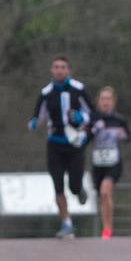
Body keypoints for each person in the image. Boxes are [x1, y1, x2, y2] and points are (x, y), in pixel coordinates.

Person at [28, 55, 94, 239]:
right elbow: (38, 115)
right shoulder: (46, 93)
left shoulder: (79, 90)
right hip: (55, 144)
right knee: (57, 185)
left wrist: (82, 119)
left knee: (73, 185)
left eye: (63, 67)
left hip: (74, 144)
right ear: (51, 70)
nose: (59, 70)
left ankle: (79, 190)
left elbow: (93, 113)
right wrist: (34, 123)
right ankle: (66, 223)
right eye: (56, 67)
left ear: (68, 70)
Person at [88, 86, 131, 240]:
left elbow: (128, 137)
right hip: (98, 162)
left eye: (108, 99)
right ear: (98, 102)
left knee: (106, 191)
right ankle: (105, 226)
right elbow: (85, 138)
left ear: (113, 102)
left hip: (114, 161)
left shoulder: (119, 120)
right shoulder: (92, 118)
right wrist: (93, 129)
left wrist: (122, 135)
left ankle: (108, 228)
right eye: (102, 99)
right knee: (102, 195)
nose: (105, 102)